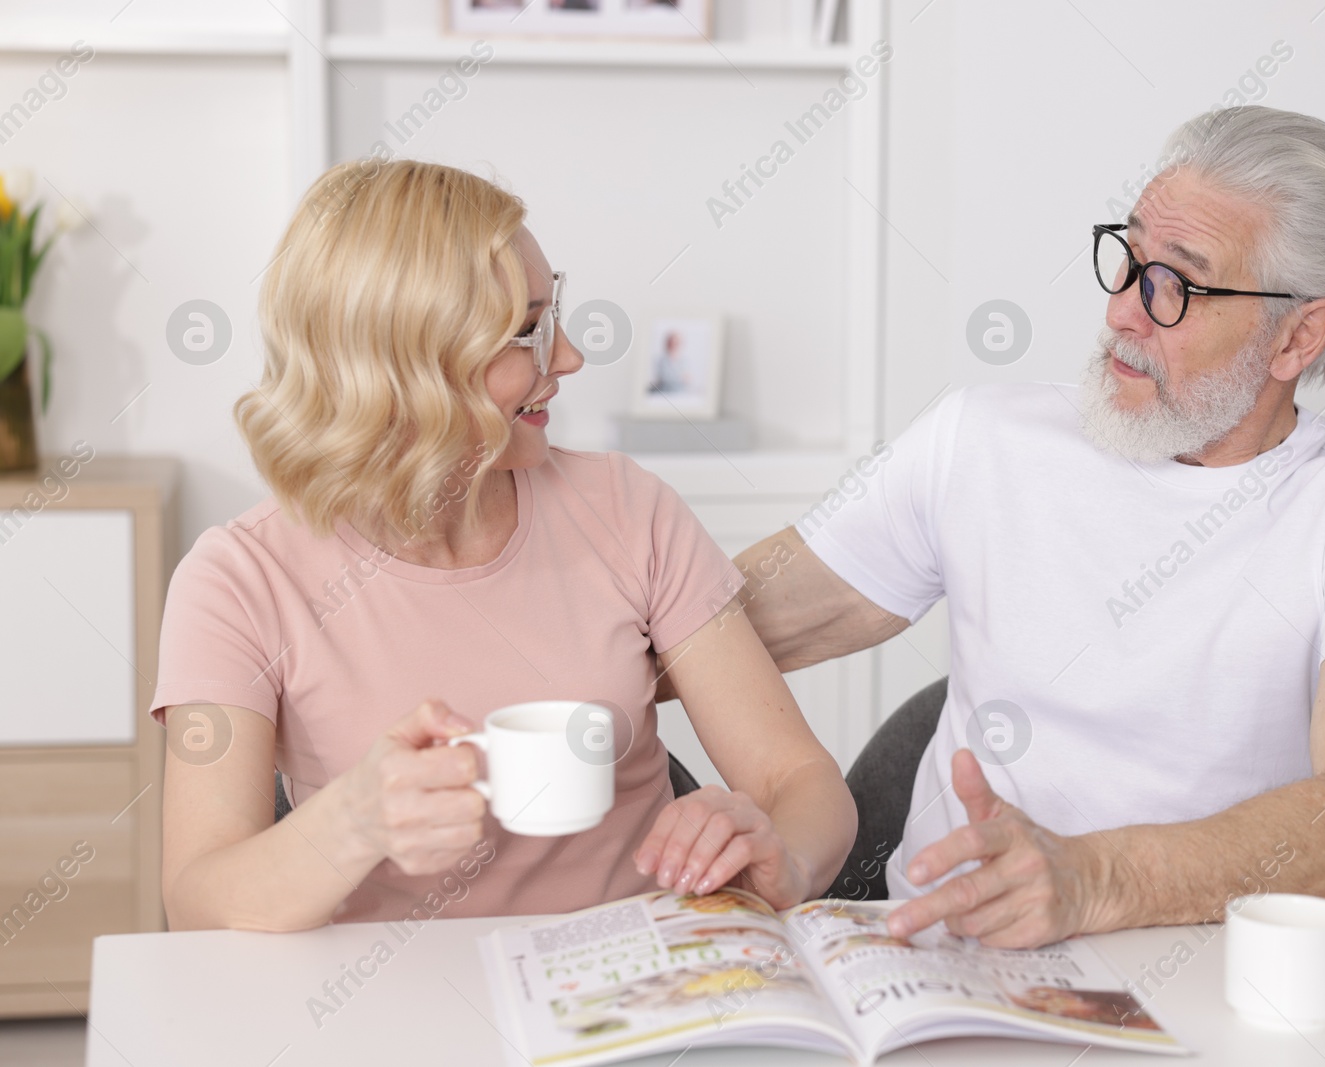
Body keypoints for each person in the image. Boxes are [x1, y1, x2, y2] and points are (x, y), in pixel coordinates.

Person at [692, 106, 1325, 949]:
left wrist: (1096, 878)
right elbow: (706, 620)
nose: (1122, 311)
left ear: (1299, 335)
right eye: (1129, 259)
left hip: (1205, 972)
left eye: (1175, 284)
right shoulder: (984, 436)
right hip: (938, 960)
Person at [152, 159, 854, 932]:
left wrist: (780, 852)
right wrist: (349, 823)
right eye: (526, 332)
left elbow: (800, 778)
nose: (569, 359)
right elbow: (197, 900)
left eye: (554, 316)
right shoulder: (238, 580)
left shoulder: (629, 510)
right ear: (400, 361)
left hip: (636, 996)